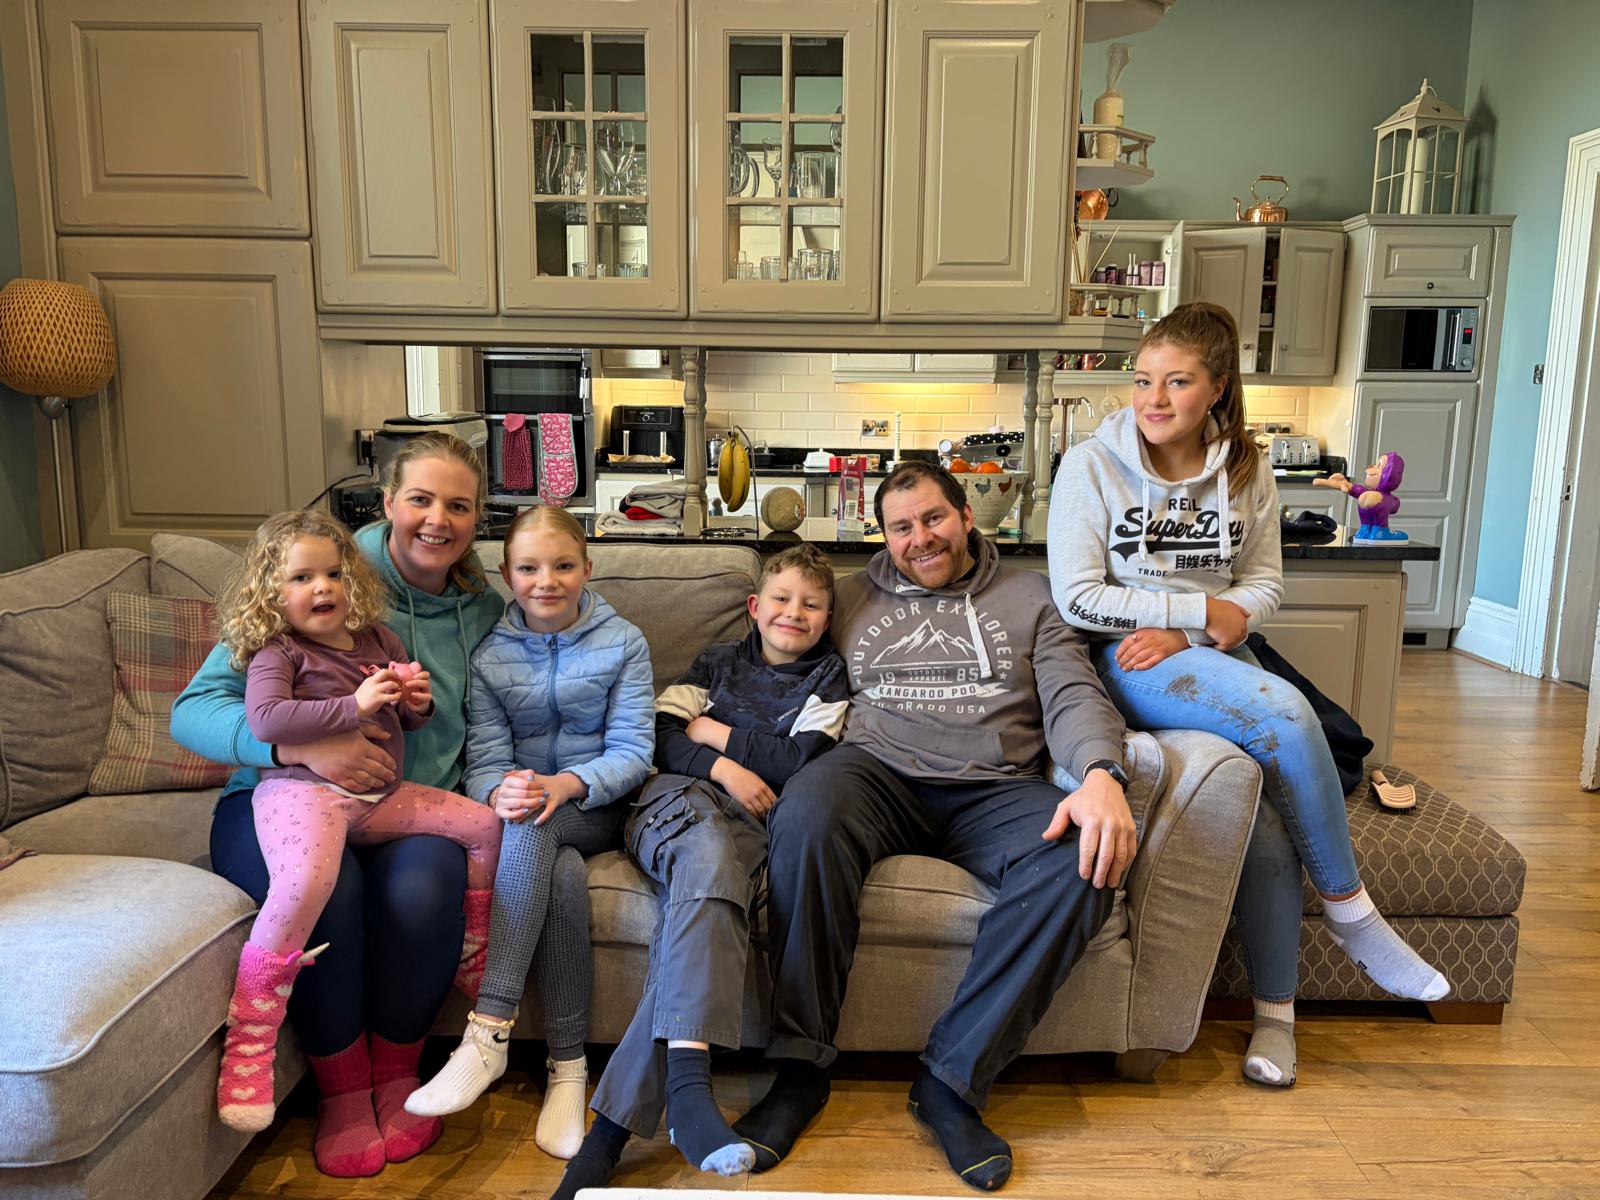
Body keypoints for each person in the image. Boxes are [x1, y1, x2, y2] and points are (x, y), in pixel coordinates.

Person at [1047, 301, 1451, 1090]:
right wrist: (1195, 614)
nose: (1153, 398)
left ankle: (1276, 1020)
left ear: (1217, 388)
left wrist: (1203, 628)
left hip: (1210, 655)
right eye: (1143, 380)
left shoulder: (1244, 469)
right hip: (1129, 659)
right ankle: (1353, 913)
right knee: (1286, 711)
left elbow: (1262, 585)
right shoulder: (1091, 467)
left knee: (1263, 818)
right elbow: (1078, 598)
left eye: (1177, 382)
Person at [731, 461, 1138, 1192]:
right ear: (883, 538)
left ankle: (951, 1081)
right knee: (809, 809)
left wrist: (1102, 773)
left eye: (933, 518)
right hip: (875, 774)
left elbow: (1074, 693)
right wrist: (710, 741)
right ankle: (798, 1069)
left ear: (967, 516)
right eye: (901, 527)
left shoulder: (1032, 597)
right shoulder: (848, 598)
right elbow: (775, 659)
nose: (919, 538)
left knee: (1085, 856)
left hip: (995, 787)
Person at [173, 433, 513, 1177]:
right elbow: (193, 711)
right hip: (281, 798)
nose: (437, 521)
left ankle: (396, 1075)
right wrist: (296, 751)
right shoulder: (316, 573)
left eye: (458, 506)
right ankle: (342, 1092)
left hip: (400, 805)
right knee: (330, 891)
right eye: (419, 499)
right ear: (388, 502)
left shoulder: (485, 609)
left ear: (477, 518)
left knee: (424, 889)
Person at [551, 543, 850, 1200]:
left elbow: (796, 760)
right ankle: (687, 1093)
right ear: (753, 607)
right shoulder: (716, 663)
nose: (793, 612)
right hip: (676, 802)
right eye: (781, 599)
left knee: (708, 902)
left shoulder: (829, 680)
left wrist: (712, 733)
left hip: (752, 829)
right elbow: (659, 735)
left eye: (811, 605)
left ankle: (606, 1142)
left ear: (828, 620)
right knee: (708, 857)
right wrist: (724, 768)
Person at [404, 505, 655, 1162]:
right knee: (556, 866)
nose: (547, 581)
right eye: (529, 568)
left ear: (587, 568)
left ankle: (488, 1030)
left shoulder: (623, 642)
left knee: (534, 824)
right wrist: (499, 790)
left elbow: (634, 751)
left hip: (601, 805)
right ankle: (568, 1070)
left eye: (563, 565)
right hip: (532, 817)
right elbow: (485, 760)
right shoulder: (491, 655)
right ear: (506, 574)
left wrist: (566, 783)